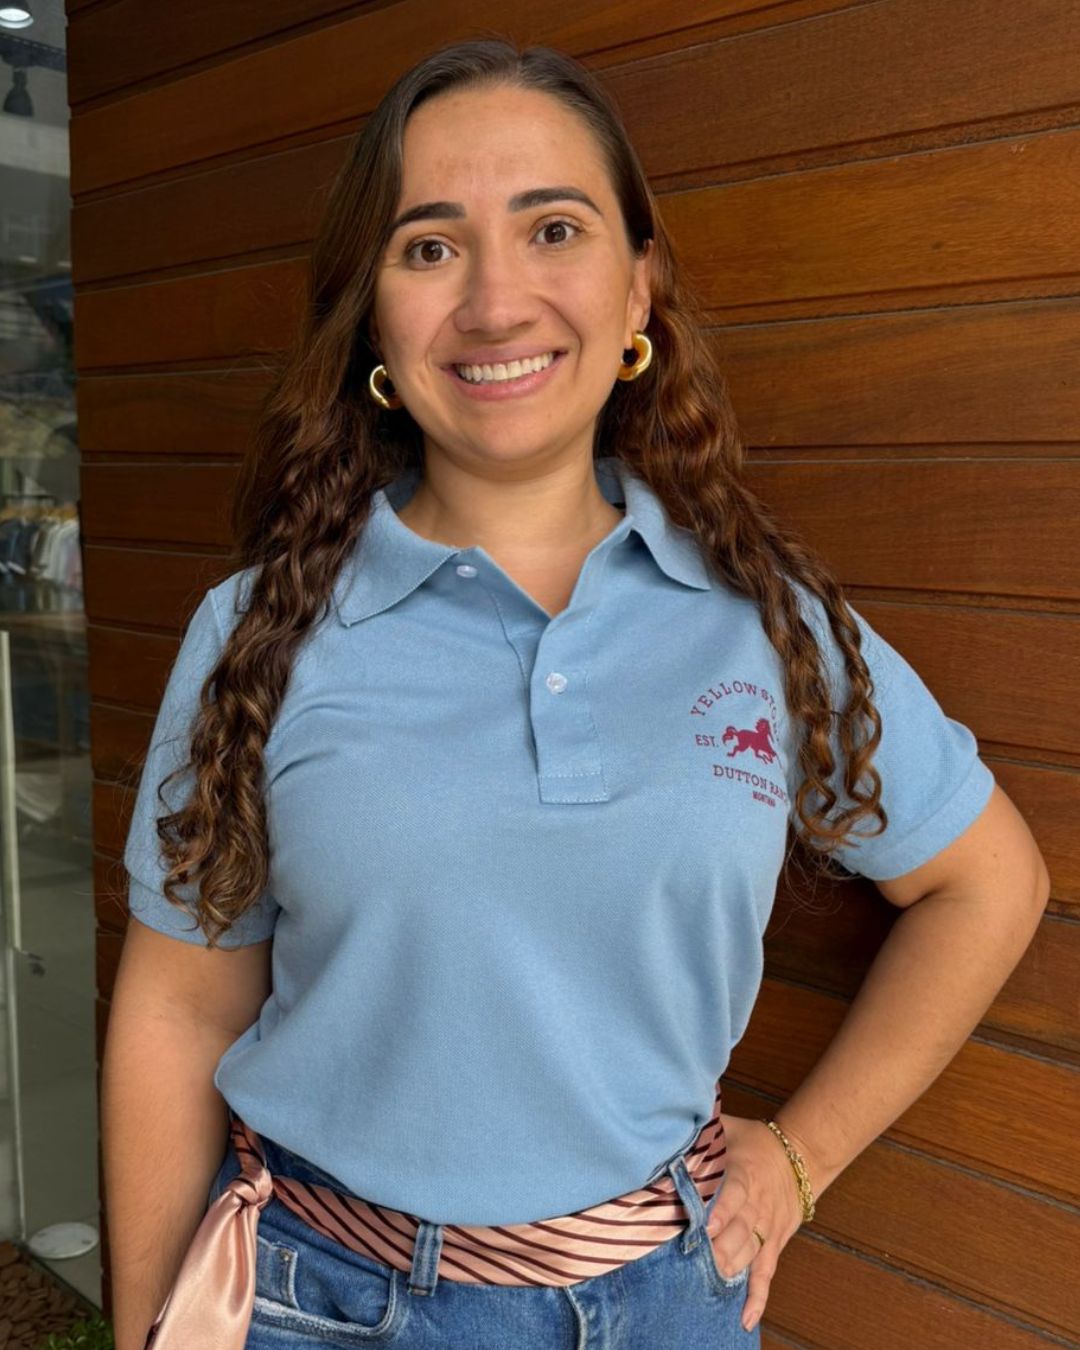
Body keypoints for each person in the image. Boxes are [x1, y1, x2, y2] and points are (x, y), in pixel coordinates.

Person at [100, 36, 1050, 1350]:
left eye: (555, 228)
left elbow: (986, 882)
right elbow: (179, 1002)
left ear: (638, 287)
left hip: (668, 1302)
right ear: (373, 314)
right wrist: (147, 1326)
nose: (496, 302)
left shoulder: (763, 616)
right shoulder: (259, 629)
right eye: (429, 247)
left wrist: (803, 1155)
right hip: (322, 1304)